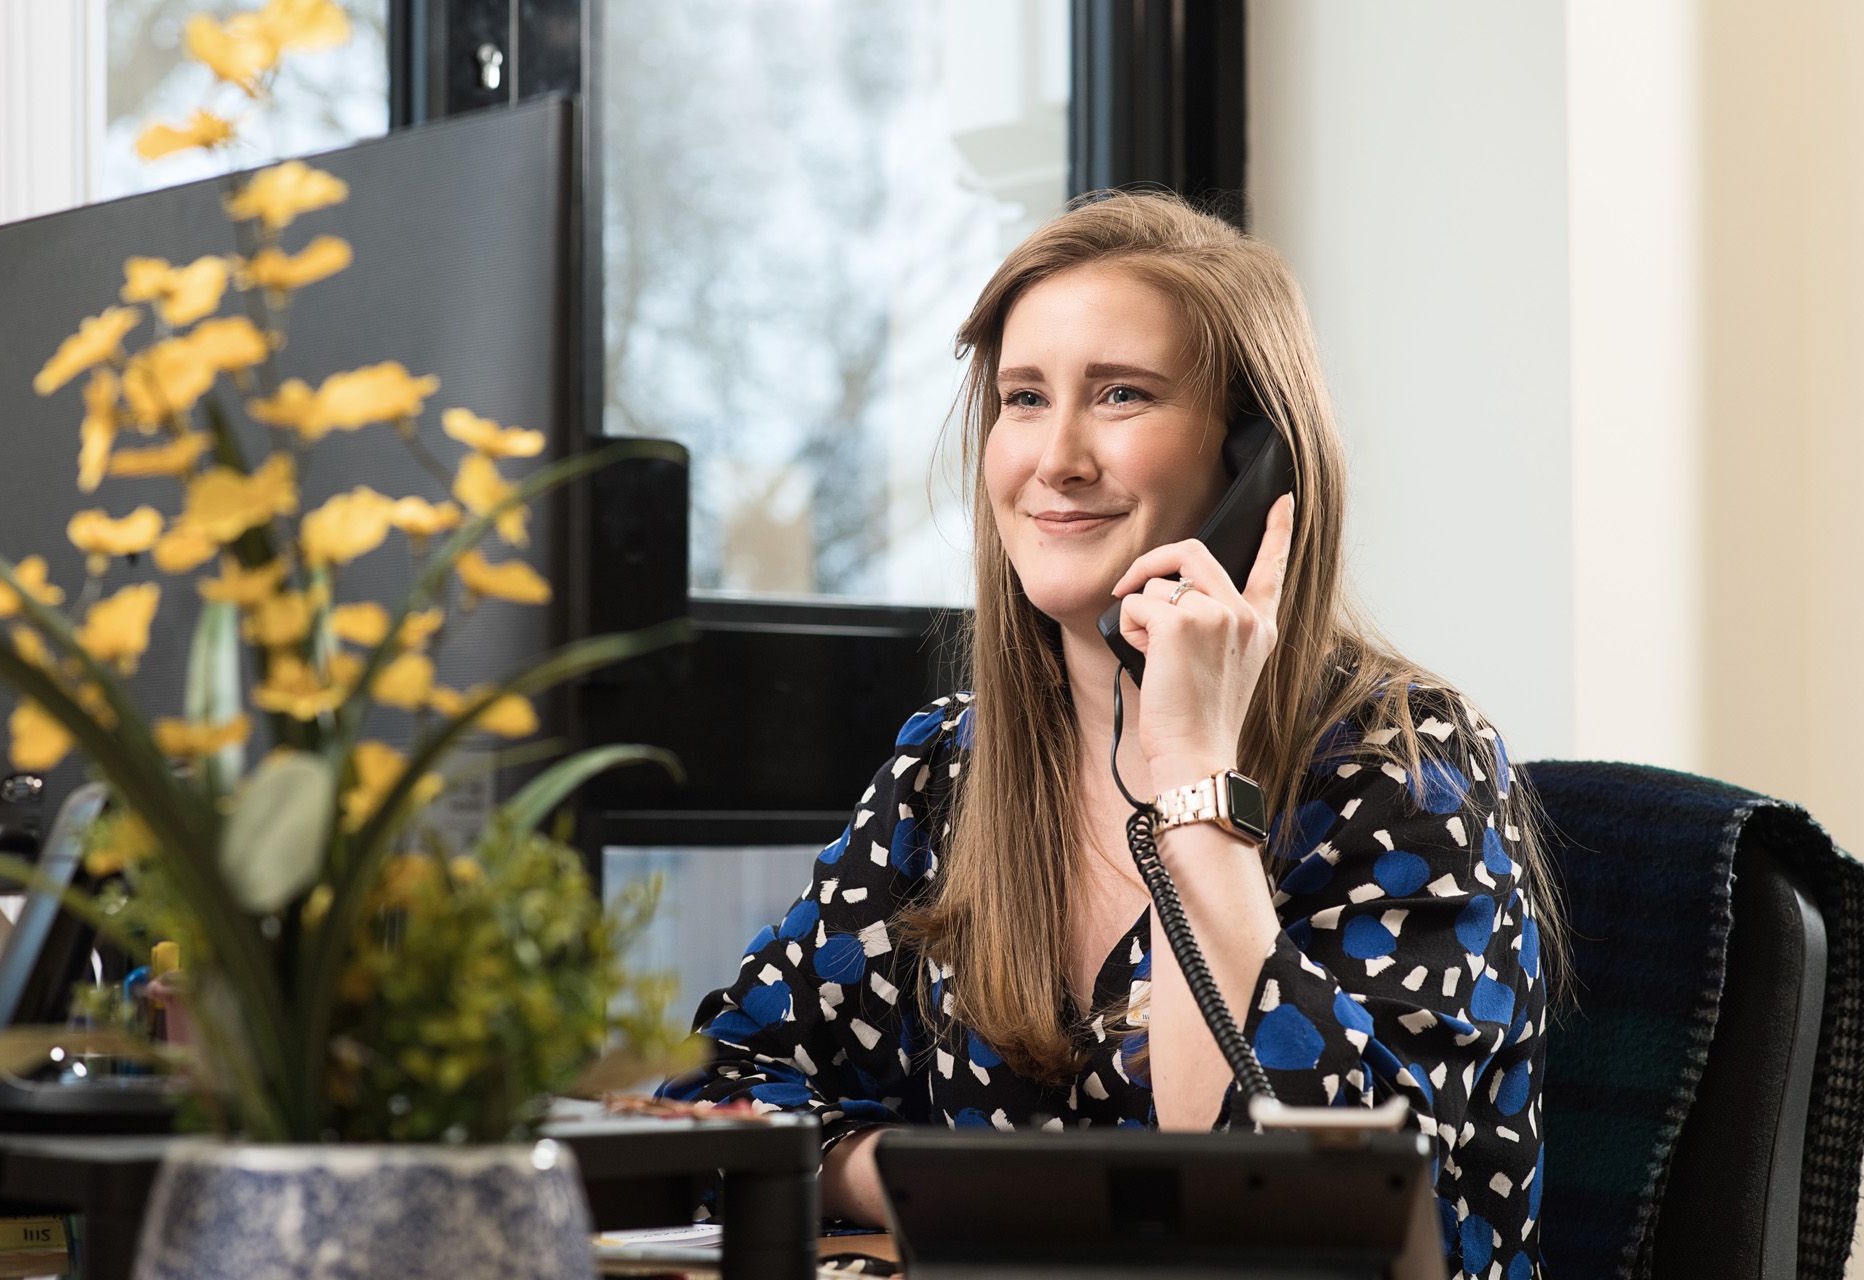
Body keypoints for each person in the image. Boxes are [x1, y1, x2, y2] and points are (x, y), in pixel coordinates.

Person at [659, 190, 1556, 1279]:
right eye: (1024, 398)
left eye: (1121, 395)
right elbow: (715, 1106)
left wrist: (1194, 780)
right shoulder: (950, 770)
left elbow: (1310, 1214)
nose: (1058, 456)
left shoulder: (1405, 769)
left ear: (1256, 459)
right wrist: (929, 1179)